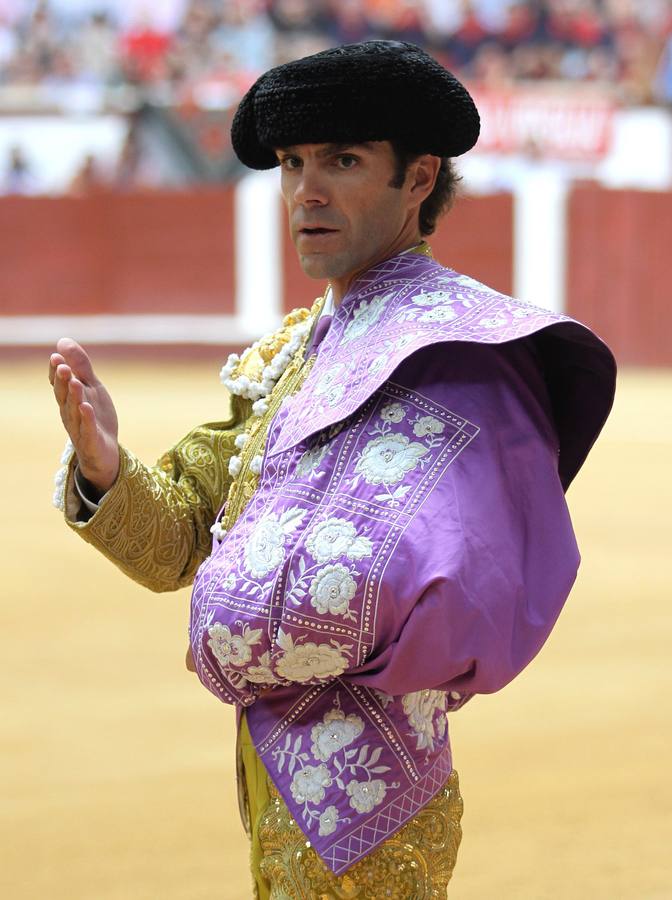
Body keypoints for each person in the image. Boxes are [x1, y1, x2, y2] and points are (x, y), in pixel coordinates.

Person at [49, 41, 616, 898]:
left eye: (343, 161)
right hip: (276, 768)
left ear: (419, 179)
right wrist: (105, 470)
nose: (306, 192)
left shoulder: (460, 354)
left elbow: (473, 587)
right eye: (292, 163)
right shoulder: (289, 354)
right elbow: (177, 543)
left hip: (376, 793)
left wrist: (266, 621)